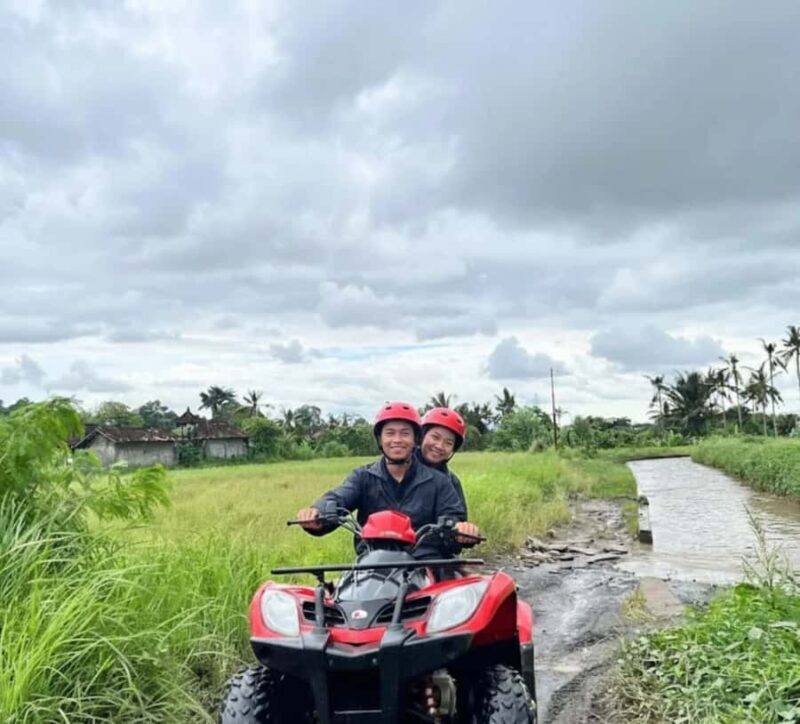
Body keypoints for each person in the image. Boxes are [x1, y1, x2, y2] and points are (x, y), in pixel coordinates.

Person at [296, 401, 480, 559]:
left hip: (424, 565)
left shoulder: (440, 482)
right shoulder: (363, 476)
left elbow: (453, 518)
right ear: (380, 439)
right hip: (372, 563)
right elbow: (338, 497)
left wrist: (462, 531)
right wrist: (316, 513)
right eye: (390, 433)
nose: (397, 440)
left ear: (415, 438)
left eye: (405, 434)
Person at [418, 407, 468, 516]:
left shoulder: (452, 482)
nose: (440, 446)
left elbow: (459, 520)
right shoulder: (399, 468)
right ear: (422, 436)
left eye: (448, 443)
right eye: (435, 437)